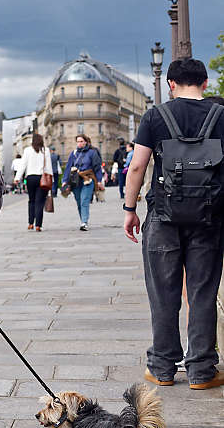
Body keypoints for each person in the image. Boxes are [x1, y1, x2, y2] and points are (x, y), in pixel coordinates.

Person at [123, 59, 224, 390]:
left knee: (163, 294)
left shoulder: (155, 116)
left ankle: (163, 368)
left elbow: (137, 167)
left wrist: (129, 208)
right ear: (205, 84)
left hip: (163, 218)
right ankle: (201, 370)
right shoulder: (220, 116)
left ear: (170, 84)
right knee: (203, 292)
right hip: (209, 218)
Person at [62, 133, 101, 231]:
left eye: (81, 141)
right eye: (78, 141)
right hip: (75, 180)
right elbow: (68, 168)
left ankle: (84, 222)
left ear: (86, 142)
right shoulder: (74, 153)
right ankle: (83, 220)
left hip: (88, 179)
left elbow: (97, 168)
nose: (79, 143)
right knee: (79, 202)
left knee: (84, 200)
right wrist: (64, 181)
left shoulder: (92, 153)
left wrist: (99, 181)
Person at [14, 133, 52, 231]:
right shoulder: (45, 151)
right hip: (41, 179)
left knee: (31, 201)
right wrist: (52, 180)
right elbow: (48, 167)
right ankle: (38, 225)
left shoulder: (27, 150)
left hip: (30, 178)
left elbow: (23, 165)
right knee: (39, 202)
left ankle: (30, 223)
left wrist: (17, 177)